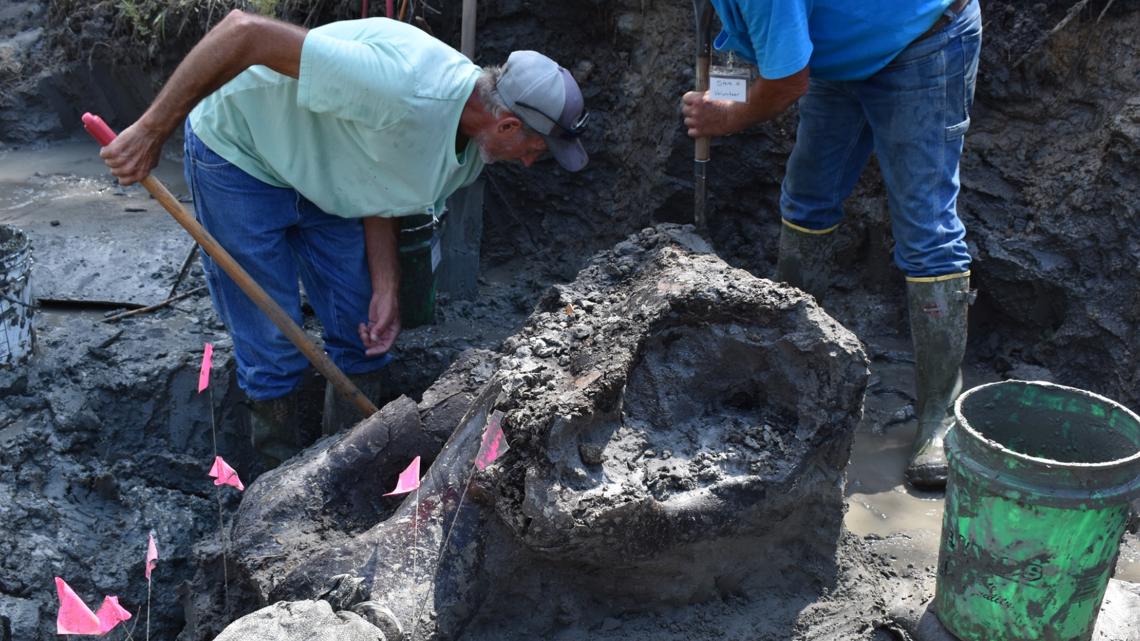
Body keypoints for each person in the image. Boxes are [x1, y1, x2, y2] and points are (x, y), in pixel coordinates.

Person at [99, 10, 589, 469]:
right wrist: (149, 131)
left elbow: (384, 180)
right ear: (506, 123)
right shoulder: (400, 88)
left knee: (366, 336)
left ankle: (340, 475)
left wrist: (385, 286)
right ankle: (275, 492)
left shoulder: (468, 143)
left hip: (327, 171)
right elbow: (243, 31)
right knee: (272, 348)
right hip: (243, 154)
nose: (529, 162)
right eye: (533, 148)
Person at [681, 0, 981, 488]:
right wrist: (722, 98)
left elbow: (788, 81)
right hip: (842, 56)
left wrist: (730, 119)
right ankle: (792, 365)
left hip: (924, 40)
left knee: (926, 230)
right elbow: (739, 37)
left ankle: (939, 418)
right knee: (807, 200)